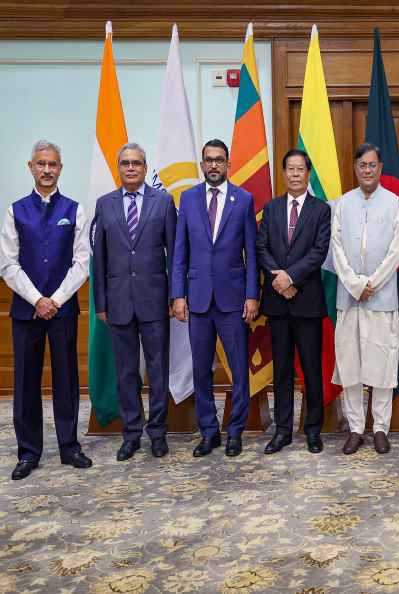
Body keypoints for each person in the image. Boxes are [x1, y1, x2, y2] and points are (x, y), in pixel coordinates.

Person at [1, 140, 92, 480]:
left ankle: (69, 446)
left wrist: (56, 299)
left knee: (66, 378)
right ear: (31, 167)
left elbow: (81, 263)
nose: (47, 170)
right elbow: (7, 264)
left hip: (63, 310)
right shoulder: (15, 211)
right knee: (25, 382)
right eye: (41, 164)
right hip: (26, 312)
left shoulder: (74, 210)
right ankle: (28, 452)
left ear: (60, 168)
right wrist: (37, 299)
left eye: (53, 164)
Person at [171, 139, 259, 458]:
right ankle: (209, 432)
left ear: (228, 164)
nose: (213, 165)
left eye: (219, 160)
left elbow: (251, 250)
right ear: (201, 165)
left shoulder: (243, 199)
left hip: (233, 300)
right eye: (208, 160)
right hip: (197, 300)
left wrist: (252, 295)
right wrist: (177, 295)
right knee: (201, 370)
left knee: (238, 369)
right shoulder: (188, 199)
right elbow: (180, 252)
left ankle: (235, 431)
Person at [93, 143, 178, 460]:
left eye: (137, 163)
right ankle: (131, 434)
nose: (131, 168)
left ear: (145, 167)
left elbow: (175, 255)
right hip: (117, 303)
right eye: (125, 163)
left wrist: (175, 296)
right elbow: (99, 259)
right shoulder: (104, 205)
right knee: (126, 372)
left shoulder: (164, 202)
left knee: (158, 371)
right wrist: (101, 301)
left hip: (155, 301)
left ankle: (157, 433)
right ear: (119, 168)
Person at [330, 143, 399, 455]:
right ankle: (356, 428)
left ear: (380, 168)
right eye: (363, 165)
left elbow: (397, 250)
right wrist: (355, 285)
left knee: (382, 366)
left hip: (381, 298)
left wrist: (371, 283)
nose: (368, 170)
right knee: (350, 365)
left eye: (373, 165)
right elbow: (336, 249)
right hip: (350, 299)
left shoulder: (394, 203)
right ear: (355, 168)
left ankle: (380, 428)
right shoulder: (342, 205)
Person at [256, 148, 330, 455]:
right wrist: (279, 279)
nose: (296, 174)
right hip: (278, 303)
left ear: (308, 173)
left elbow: (319, 250)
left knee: (311, 369)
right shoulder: (271, 209)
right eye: (291, 169)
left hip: (307, 301)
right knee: (282, 371)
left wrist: (291, 277)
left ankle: (312, 429)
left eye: (301, 169)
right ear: (284, 173)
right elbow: (261, 248)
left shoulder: (320, 209)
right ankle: (283, 430)